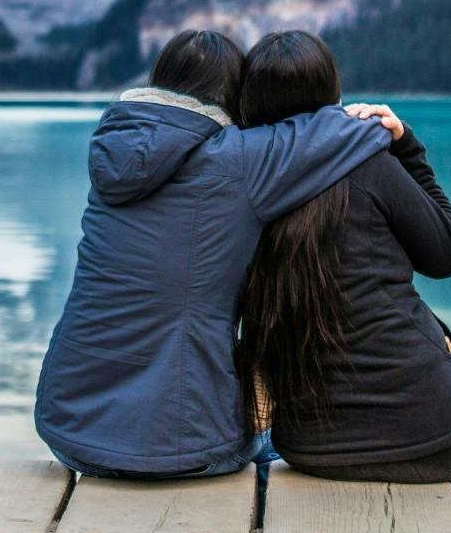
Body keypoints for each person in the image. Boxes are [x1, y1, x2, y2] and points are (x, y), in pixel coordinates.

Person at [35, 28, 403, 478]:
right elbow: (342, 132)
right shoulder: (237, 160)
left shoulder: (111, 153)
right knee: (281, 443)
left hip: (68, 433)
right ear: (231, 96)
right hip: (180, 448)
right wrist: (381, 120)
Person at [237, 30, 451, 482]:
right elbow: (446, 254)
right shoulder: (370, 164)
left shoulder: (240, 186)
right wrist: (406, 147)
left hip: (313, 450)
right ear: (333, 96)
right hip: (446, 435)